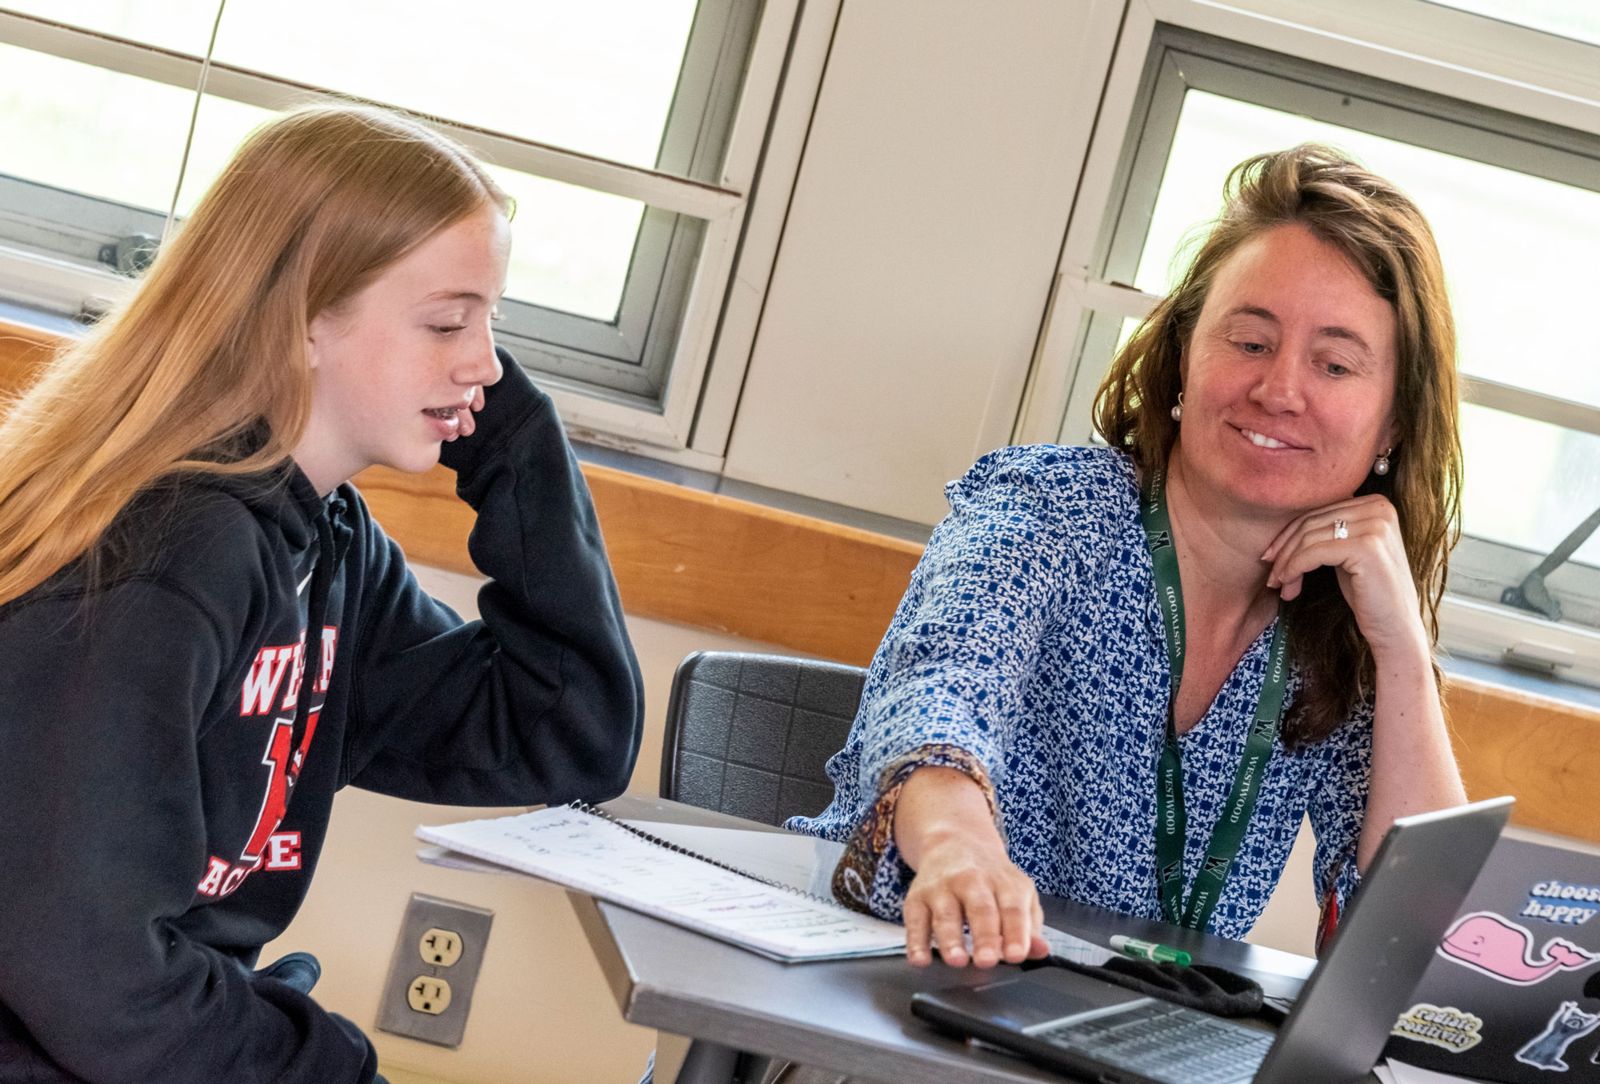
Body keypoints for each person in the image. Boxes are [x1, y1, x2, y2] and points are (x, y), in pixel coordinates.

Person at [0, 104, 643, 1082]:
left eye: (492, 320)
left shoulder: (325, 540)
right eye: (444, 321)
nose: (485, 361)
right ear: (301, 321)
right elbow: (85, 968)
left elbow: (561, 734)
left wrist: (513, 438)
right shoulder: (171, 552)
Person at [790, 143, 1467, 972]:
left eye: (1333, 364)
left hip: (1118, 1042)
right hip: (887, 984)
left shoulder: (1345, 624)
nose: (1280, 390)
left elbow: (1418, 948)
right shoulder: (1047, 508)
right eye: (1250, 342)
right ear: (1185, 353)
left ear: (1393, 424)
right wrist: (962, 848)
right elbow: (940, 691)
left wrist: (1402, 650)